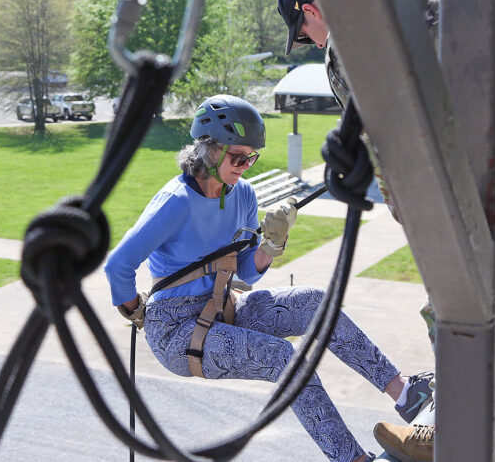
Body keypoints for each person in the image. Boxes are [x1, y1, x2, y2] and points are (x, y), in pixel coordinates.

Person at [105, 94, 434, 462]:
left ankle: (405, 393)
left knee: (313, 301)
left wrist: (272, 244)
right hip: (175, 330)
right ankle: (352, 459)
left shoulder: (242, 193)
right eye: (237, 157)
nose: (244, 166)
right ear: (208, 149)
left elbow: (246, 271)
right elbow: (117, 266)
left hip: (223, 306)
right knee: (285, 358)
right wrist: (137, 311)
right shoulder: (176, 201)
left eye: (250, 157)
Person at [277, 0, 495, 459]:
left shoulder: (353, 40)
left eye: (302, 32)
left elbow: (399, 165)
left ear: (310, 8)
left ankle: (456, 427)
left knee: (459, 295)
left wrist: (424, 233)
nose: (309, 42)